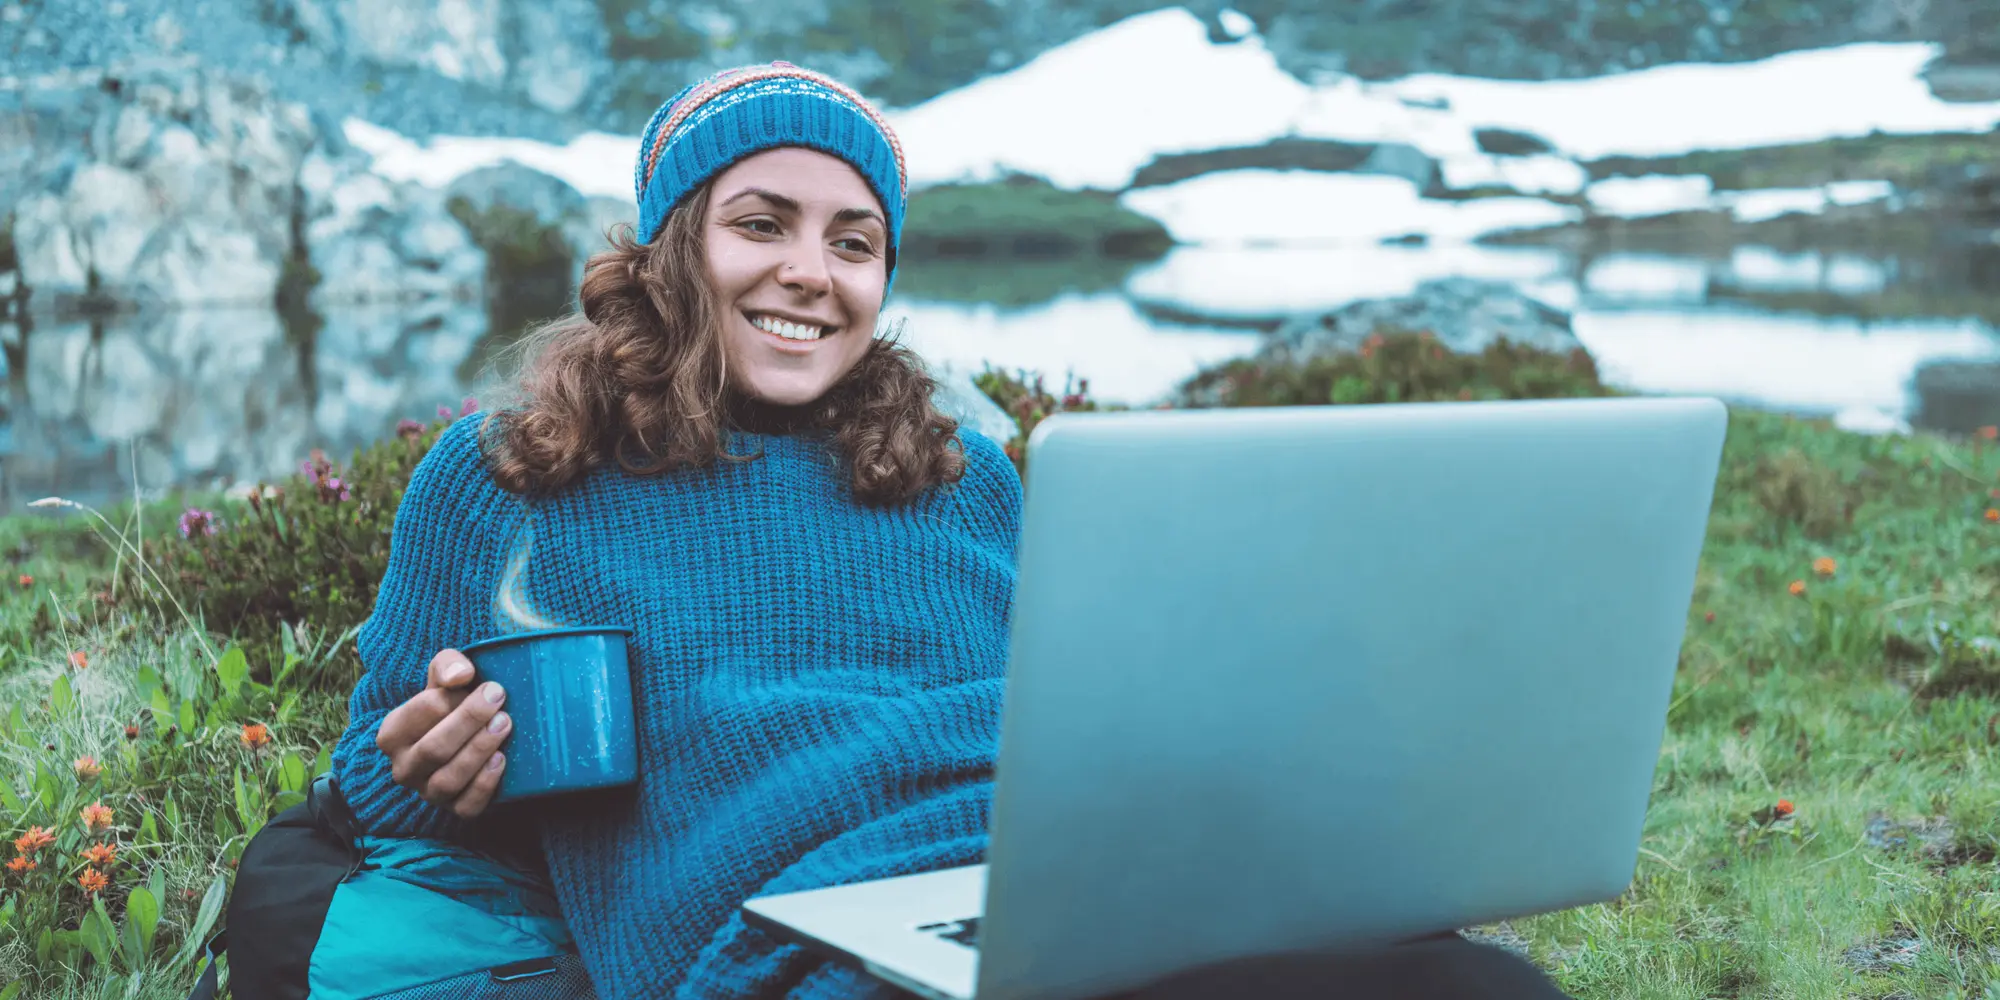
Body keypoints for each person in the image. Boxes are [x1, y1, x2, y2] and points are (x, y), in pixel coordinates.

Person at [272, 63, 1576, 1000]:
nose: (811, 273)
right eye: (761, 224)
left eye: (855, 242)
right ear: (672, 249)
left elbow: (1080, 729)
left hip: (1052, 899)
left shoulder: (965, 473)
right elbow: (379, 796)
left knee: (1482, 986)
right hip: (789, 946)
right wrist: (435, 766)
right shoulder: (507, 476)